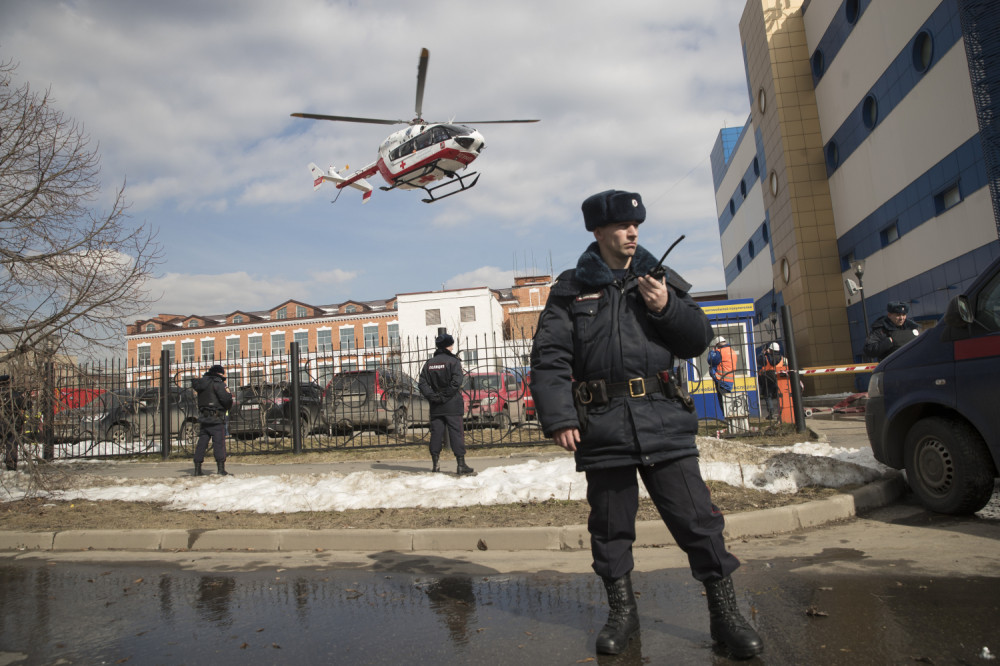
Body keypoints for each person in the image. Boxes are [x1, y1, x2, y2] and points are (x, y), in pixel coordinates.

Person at [530, 189, 763, 658]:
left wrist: (665, 307)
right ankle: (622, 614)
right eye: (620, 225)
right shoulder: (570, 289)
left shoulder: (660, 279)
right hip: (602, 425)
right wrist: (559, 417)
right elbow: (550, 357)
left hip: (663, 421)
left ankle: (725, 616)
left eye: (635, 224)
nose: (632, 231)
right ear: (598, 232)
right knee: (611, 527)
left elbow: (697, 340)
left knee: (698, 522)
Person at [418, 332, 474, 475]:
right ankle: (461, 465)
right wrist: (444, 396)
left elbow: (422, 383)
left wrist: (433, 396)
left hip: (436, 405)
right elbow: (457, 382)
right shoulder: (453, 361)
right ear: (449, 345)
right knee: (456, 433)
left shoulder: (429, 363)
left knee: (436, 433)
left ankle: (435, 465)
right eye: (451, 344)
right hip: (452, 403)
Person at [192, 364, 233, 476]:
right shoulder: (218, 383)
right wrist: (228, 402)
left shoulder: (202, 383)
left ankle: (197, 468)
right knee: (219, 443)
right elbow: (226, 399)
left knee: (202, 443)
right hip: (216, 418)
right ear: (219, 373)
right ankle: (221, 469)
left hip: (204, 417)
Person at [0, 375, 27, 471]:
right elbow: (27, 405)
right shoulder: (15, 394)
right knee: (11, 444)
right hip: (13, 423)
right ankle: (11, 466)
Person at [756, 342, 788, 420]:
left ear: (770, 350)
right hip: (779, 378)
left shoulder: (765, 358)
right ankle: (784, 413)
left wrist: (763, 353)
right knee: (780, 396)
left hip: (768, 378)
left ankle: (771, 413)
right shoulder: (783, 358)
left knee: (768, 396)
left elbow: (758, 360)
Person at [708, 336, 737, 416]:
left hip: (721, 380)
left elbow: (710, 360)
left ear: (717, 344)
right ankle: (731, 418)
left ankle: (729, 420)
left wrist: (712, 351)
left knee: (723, 402)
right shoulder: (732, 351)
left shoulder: (719, 352)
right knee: (728, 401)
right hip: (730, 380)